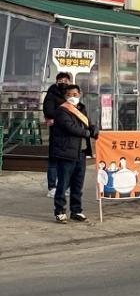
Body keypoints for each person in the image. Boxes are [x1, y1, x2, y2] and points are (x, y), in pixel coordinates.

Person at [51, 84, 98, 223]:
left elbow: (89, 123)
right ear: (65, 96)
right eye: (69, 95)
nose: (72, 97)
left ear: (80, 94)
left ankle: (76, 211)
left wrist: (94, 129)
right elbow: (70, 127)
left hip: (81, 153)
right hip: (66, 152)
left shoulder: (81, 109)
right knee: (63, 184)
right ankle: (60, 211)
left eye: (75, 94)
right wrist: (87, 133)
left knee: (78, 184)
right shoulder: (61, 110)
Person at [42, 72, 71, 197]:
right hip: (57, 132)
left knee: (67, 161)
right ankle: (52, 187)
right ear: (56, 81)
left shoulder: (70, 94)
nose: (63, 82)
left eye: (66, 80)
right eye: (61, 80)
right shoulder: (51, 94)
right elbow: (48, 111)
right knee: (54, 161)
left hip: (70, 133)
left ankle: (65, 186)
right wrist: (63, 117)